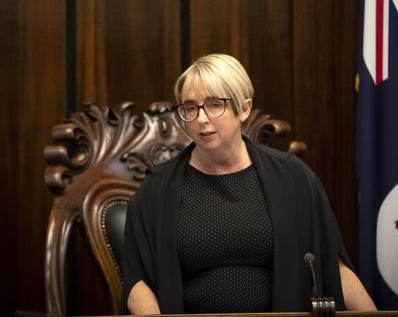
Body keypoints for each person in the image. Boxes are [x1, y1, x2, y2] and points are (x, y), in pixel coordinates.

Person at [119, 53, 376, 314]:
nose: (201, 118)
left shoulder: (293, 178)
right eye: (190, 107)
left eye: (214, 104)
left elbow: (332, 265)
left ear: (244, 108)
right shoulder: (158, 188)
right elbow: (136, 281)